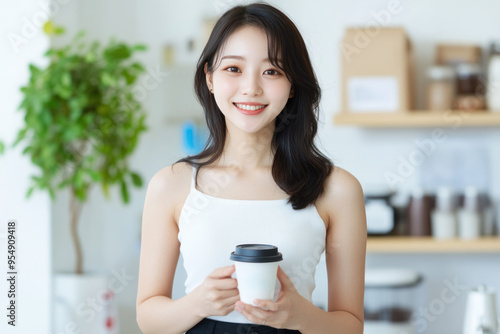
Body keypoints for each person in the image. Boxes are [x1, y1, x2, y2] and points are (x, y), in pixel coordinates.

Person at [136, 3, 366, 334]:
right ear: (210, 78)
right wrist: (198, 303)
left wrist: (300, 315)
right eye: (233, 69)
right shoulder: (171, 185)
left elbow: (351, 326)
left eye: (272, 71)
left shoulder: (337, 190)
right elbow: (148, 318)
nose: (251, 88)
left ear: (292, 85)